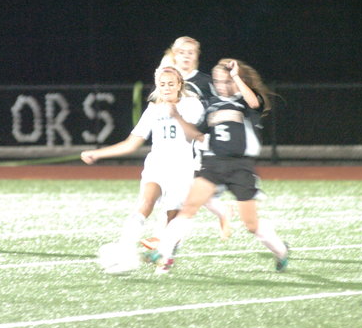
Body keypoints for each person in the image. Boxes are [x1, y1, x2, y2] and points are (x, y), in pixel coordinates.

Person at [144, 58, 289, 274]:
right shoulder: (211, 105)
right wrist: (178, 117)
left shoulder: (244, 102)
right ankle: (163, 251)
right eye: (218, 81)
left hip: (240, 167)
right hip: (213, 164)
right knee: (188, 208)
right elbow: (195, 133)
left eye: (226, 81)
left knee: (251, 224)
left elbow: (255, 103)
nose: (222, 86)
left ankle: (281, 251)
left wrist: (236, 76)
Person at [81, 66, 204, 273]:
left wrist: (176, 115)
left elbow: (193, 134)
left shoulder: (192, 105)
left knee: (172, 217)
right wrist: (98, 154)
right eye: (162, 84)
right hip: (157, 164)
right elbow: (131, 144)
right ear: (157, 86)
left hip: (180, 169)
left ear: (179, 85)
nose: (166, 88)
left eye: (171, 84)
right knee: (145, 204)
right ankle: (124, 252)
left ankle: (165, 258)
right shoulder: (153, 110)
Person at [140, 37, 233, 250]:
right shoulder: (167, 77)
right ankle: (220, 212)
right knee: (185, 192)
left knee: (181, 195)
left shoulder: (205, 82)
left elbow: (219, 107)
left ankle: (164, 242)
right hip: (176, 146)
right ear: (174, 54)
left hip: (197, 143)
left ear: (197, 56)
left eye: (191, 53)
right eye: (182, 52)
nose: (186, 57)